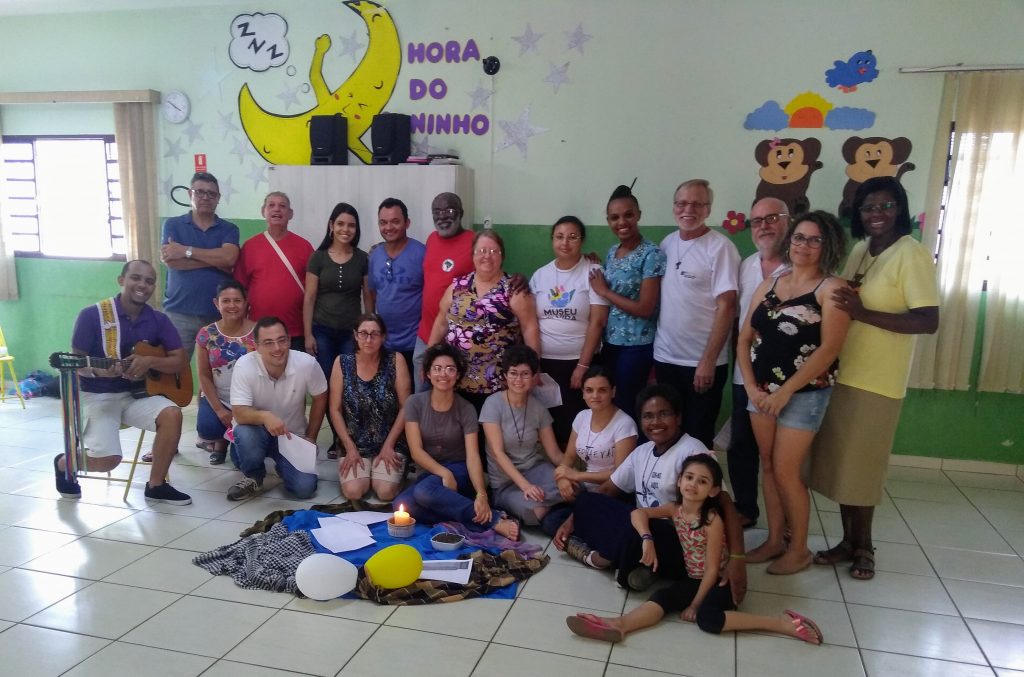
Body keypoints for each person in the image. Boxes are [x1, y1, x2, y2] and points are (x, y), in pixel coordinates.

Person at [809, 177, 939, 580]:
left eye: (885, 206)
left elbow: (927, 320)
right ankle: (848, 542)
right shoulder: (863, 251)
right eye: (868, 208)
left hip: (878, 381)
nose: (876, 215)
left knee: (863, 469)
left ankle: (864, 547)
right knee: (845, 467)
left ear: (899, 209)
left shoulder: (911, 254)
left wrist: (863, 313)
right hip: (846, 372)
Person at [565, 454, 823, 646]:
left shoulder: (712, 520)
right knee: (664, 598)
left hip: (718, 581)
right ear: (679, 481)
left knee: (708, 620)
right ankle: (618, 625)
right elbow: (638, 512)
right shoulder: (674, 510)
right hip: (692, 576)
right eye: (689, 478)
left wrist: (696, 604)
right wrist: (647, 539)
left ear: (712, 490)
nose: (693, 485)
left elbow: (712, 569)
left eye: (702, 481)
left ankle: (782, 623)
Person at [554, 384, 747, 599]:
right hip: (644, 528)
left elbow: (726, 503)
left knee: (630, 532)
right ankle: (639, 563)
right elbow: (608, 489)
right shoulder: (642, 452)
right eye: (648, 416)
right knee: (586, 501)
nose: (655, 422)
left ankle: (604, 558)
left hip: (679, 541)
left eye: (663, 414)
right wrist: (572, 519)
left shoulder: (693, 450)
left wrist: (738, 558)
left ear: (678, 418)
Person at [738, 211, 850, 574]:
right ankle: (774, 540)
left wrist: (785, 392)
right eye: (799, 238)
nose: (804, 245)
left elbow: (829, 350)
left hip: (803, 395)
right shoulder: (773, 281)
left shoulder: (832, 290)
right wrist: (752, 388)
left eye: (814, 239)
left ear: (827, 245)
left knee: (787, 472)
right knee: (768, 467)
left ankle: (798, 548)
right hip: (761, 393)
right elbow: (743, 338)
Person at [54, 260, 192, 505]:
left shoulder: (158, 320)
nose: (143, 285)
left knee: (172, 413)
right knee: (109, 461)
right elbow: (76, 364)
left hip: (137, 396)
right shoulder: (92, 315)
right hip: (98, 396)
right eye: (136, 278)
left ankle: (156, 485)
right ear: (121, 280)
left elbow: (179, 360)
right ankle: (65, 462)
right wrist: (100, 372)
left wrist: (149, 361)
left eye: (149, 281)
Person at [393, 343, 519, 538]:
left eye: (450, 369)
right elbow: (416, 451)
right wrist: (443, 473)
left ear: (458, 375)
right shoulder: (414, 403)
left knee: (424, 492)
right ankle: (471, 514)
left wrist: (481, 494)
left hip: (461, 470)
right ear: (427, 373)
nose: (443, 374)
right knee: (401, 506)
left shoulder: (466, 408)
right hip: (432, 471)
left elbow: (472, 456)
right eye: (437, 368)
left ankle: (490, 519)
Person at [653, 179, 740, 448]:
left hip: (701, 365)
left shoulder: (720, 248)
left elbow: (727, 307)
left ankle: (697, 489)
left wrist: (708, 361)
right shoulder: (666, 243)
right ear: (674, 207)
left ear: (708, 209)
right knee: (666, 433)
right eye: (682, 203)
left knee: (696, 438)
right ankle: (668, 489)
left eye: (697, 204)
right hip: (666, 358)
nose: (688, 209)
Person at [429, 229, 540, 413]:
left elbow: (530, 328)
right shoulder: (457, 286)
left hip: (498, 384)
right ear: (472, 255)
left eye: (493, 251)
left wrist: (534, 367)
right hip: (455, 380)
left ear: (502, 256)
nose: (487, 256)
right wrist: (430, 359)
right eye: (481, 251)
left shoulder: (514, 290)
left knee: (491, 436)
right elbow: (441, 322)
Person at [728, 198, 790, 528]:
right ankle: (746, 508)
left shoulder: (803, 268)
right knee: (742, 446)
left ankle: (787, 519)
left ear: (788, 222)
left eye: (772, 218)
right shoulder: (746, 265)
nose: (764, 226)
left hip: (788, 381)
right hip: (745, 375)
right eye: (757, 221)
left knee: (783, 456)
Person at [227, 316, 328, 501]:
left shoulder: (307, 363)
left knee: (304, 489)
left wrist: (311, 437)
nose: (277, 348)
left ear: (289, 340)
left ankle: (282, 465)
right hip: (256, 433)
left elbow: (320, 397)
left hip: (291, 435)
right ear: (257, 345)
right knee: (245, 434)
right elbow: (239, 413)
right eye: (268, 343)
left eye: (282, 340)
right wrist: (266, 417)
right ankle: (254, 476)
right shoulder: (244, 365)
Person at [530, 216, 609, 447]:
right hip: (547, 363)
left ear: (582, 240)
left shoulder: (593, 271)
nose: (565, 242)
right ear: (552, 239)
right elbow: (532, 321)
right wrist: (535, 363)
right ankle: (558, 472)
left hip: (579, 362)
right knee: (552, 423)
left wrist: (582, 366)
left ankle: (582, 471)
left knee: (579, 422)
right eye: (560, 237)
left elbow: (597, 322)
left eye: (573, 237)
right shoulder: (540, 275)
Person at [589, 185, 666, 418]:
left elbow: (645, 307)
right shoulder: (613, 251)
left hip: (637, 345)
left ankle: (633, 454)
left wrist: (605, 292)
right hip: (611, 343)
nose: (621, 222)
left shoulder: (651, 254)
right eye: (614, 217)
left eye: (628, 215)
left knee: (628, 405)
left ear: (638, 215)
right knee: (611, 403)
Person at [330, 313, 412, 503]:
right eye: (363, 333)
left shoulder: (395, 360)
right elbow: (334, 409)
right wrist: (349, 448)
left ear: (383, 337)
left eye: (375, 334)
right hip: (354, 441)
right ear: (355, 335)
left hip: (390, 440)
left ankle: (397, 470)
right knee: (354, 492)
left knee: (384, 492)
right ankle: (367, 469)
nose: (368, 339)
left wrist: (389, 445)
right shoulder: (342, 362)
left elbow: (406, 406)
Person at [480, 345, 564, 526]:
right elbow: (498, 453)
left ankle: (561, 514)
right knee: (536, 510)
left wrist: (571, 474)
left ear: (534, 377)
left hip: (537, 470)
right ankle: (560, 513)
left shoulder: (538, 407)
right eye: (513, 373)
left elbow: (554, 453)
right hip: (505, 482)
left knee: (571, 488)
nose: (519, 379)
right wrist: (526, 486)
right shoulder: (493, 404)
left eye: (525, 374)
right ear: (505, 376)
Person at [160, 172, 240, 360]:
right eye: (200, 192)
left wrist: (186, 251)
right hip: (179, 313)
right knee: (174, 372)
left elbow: (229, 259)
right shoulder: (172, 225)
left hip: (218, 314)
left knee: (219, 372)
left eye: (212, 194)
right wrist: (215, 261)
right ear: (190, 194)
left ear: (218, 199)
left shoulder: (229, 229)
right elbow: (172, 261)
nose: (206, 197)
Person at [413, 192, 476, 391]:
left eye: (449, 210)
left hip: (457, 338)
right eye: (437, 211)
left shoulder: (475, 242)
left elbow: (493, 275)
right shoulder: (431, 239)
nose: (442, 216)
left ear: (461, 213)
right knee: (422, 395)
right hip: (426, 334)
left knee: (453, 398)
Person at [234, 192, 314, 351]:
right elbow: (240, 291)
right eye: (271, 205)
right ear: (263, 211)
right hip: (258, 331)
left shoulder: (304, 247)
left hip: (295, 331)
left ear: (290, 214)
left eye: (282, 206)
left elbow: (313, 293)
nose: (277, 209)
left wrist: (309, 332)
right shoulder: (250, 247)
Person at [303, 202, 371, 378]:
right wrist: (308, 335)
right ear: (331, 225)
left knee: (349, 379)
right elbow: (309, 298)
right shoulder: (318, 257)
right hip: (322, 331)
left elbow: (368, 296)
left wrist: (368, 330)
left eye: (351, 225)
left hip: (351, 332)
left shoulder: (363, 259)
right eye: (341, 224)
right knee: (324, 379)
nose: (346, 229)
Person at [194, 279, 256, 465]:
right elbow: (204, 375)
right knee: (208, 428)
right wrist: (220, 410)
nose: (232, 305)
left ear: (246, 303)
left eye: (237, 300)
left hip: (250, 401)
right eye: (226, 301)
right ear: (216, 303)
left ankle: (235, 441)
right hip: (220, 398)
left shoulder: (259, 331)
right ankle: (220, 441)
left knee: (240, 462)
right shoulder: (206, 334)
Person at [554, 367, 637, 498]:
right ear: (583, 393)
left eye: (602, 390)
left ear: (613, 391)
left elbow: (620, 473)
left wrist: (577, 475)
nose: (595, 396)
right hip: (585, 485)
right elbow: (569, 457)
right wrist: (562, 478)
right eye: (589, 390)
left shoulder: (625, 424)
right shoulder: (582, 416)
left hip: (613, 489)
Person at [367, 197, 425, 374]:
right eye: (383, 222)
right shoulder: (375, 255)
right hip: (383, 344)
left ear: (407, 223)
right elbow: (372, 293)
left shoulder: (422, 253)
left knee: (411, 398)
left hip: (414, 345)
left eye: (395, 222)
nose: (389, 227)